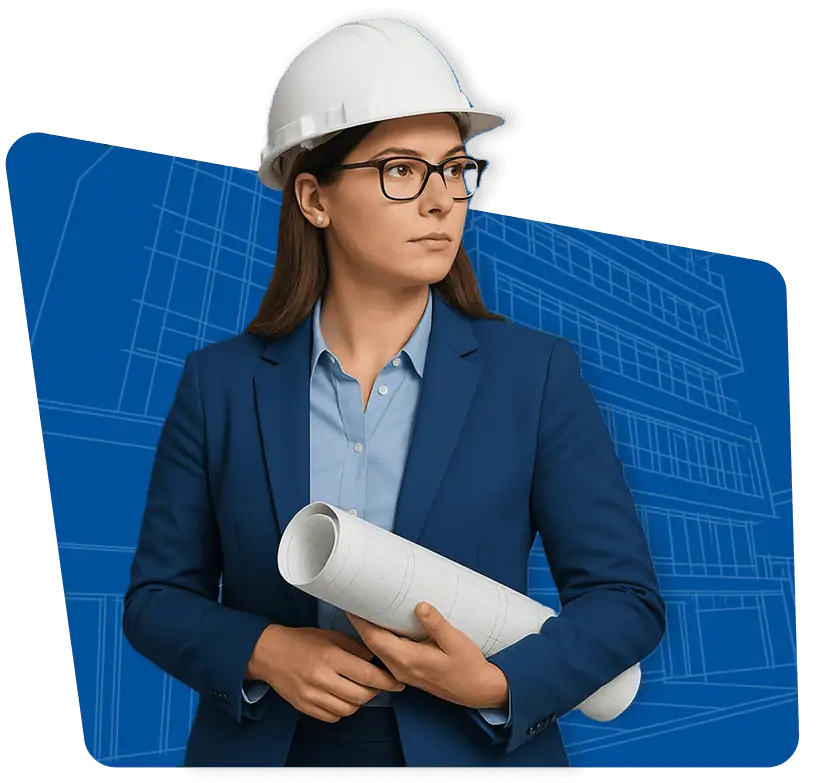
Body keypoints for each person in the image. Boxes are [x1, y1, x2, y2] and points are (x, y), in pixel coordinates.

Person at [123, 17, 666, 770]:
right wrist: (265, 649)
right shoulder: (221, 385)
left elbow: (623, 599)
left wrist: (499, 680)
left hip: (474, 750)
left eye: (454, 169)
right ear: (314, 198)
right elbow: (155, 599)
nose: (443, 200)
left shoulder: (533, 376)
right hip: (274, 754)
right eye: (402, 170)